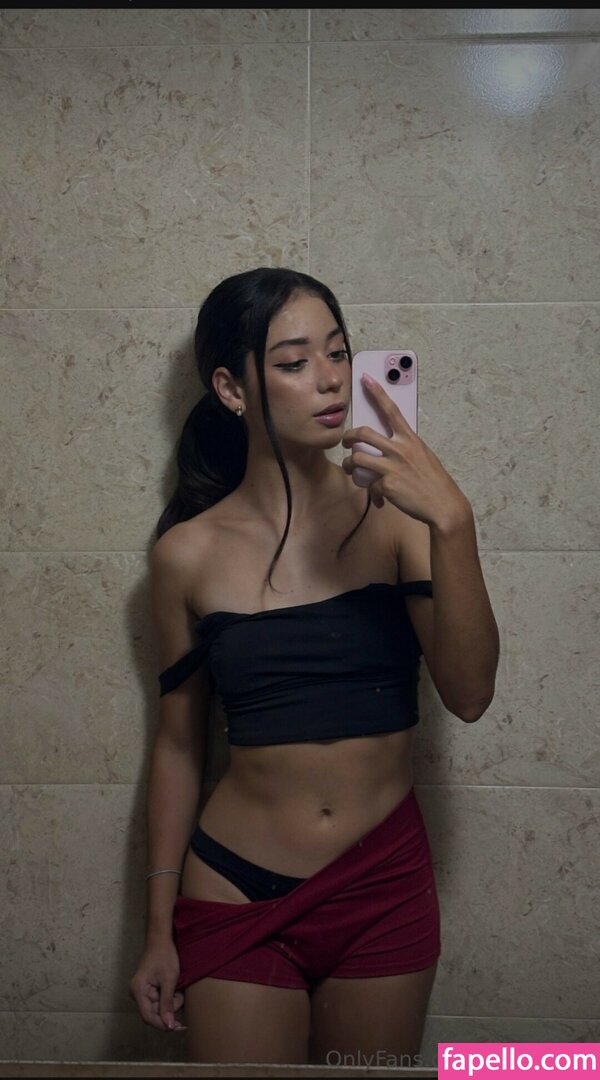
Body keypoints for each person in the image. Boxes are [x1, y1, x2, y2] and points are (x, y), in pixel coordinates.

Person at [129, 267, 499, 1065]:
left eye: (338, 352)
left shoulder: (398, 519)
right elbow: (179, 745)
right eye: (295, 362)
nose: (331, 379)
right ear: (232, 389)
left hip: (381, 886)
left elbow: (470, 695)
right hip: (234, 890)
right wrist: (157, 929)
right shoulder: (185, 555)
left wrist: (452, 521)